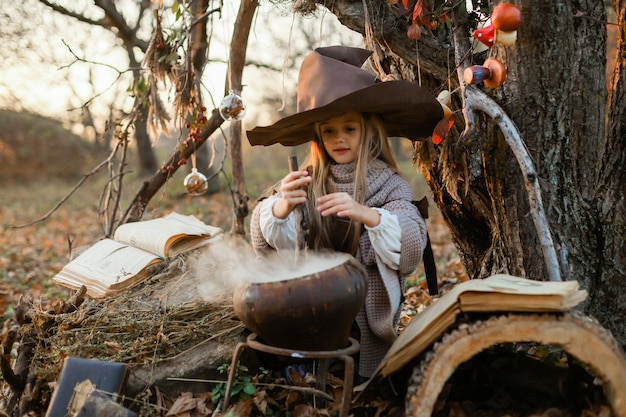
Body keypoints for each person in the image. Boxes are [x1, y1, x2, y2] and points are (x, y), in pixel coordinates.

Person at [246, 45, 445, 380]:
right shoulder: (306, 182)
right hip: (308, 309)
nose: (339, 139)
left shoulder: (389, 185)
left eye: (349, 128)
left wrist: (367, 215)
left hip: (363, 313)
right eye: (328, 131)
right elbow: (267, 247)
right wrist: (281, 208)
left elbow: (411, 244)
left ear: (367, 130)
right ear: (318, 137)